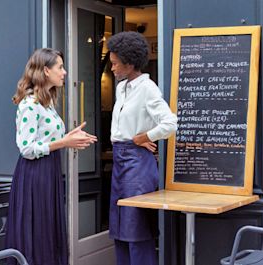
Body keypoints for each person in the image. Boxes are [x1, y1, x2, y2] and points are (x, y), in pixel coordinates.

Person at [6, 48, 97, 265]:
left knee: (46, 226)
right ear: (46, 71)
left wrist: (68, 137)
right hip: (35, 174)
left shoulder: (47, 102)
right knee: (38, 227)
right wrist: (64, 142)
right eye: (60, 67)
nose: (64, 72)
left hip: (48, 170)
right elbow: (27, 149)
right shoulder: (30, 104)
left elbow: (46, 141)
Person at [107, 31, 178, 265]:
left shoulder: (148, 88)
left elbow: (170, 123)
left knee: (135, 229)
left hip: (137, 165)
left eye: (116, 63)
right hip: (120, 161)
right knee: (119, 228)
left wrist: (144, 137)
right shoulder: (121, 88)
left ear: (129, 63)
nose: (112, 68)